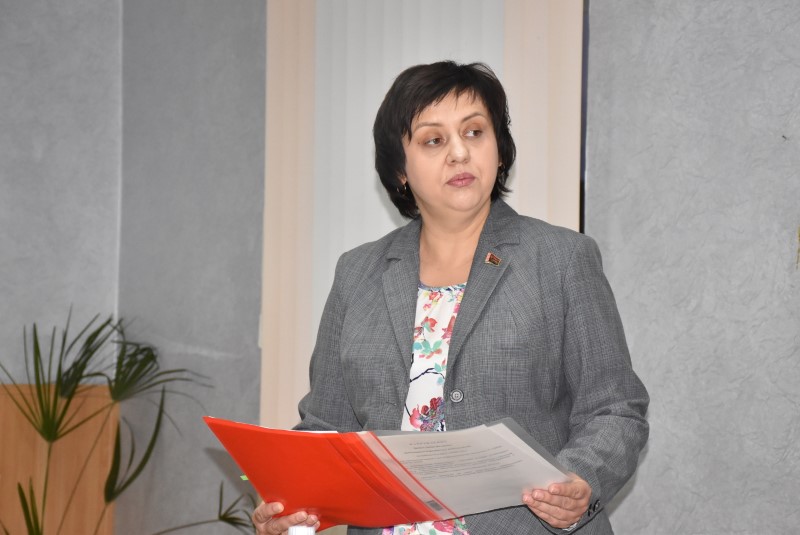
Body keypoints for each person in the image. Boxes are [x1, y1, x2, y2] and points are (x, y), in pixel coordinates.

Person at [253, 61, 649, 535]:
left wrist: (580, 479)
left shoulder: (561, 258)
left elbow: (615, 409)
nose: (460, 153)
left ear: (499, 150)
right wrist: (290, 501)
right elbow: (325, 426)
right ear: (399, 170)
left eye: (475, 132)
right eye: (433, 140)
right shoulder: (356, 273)